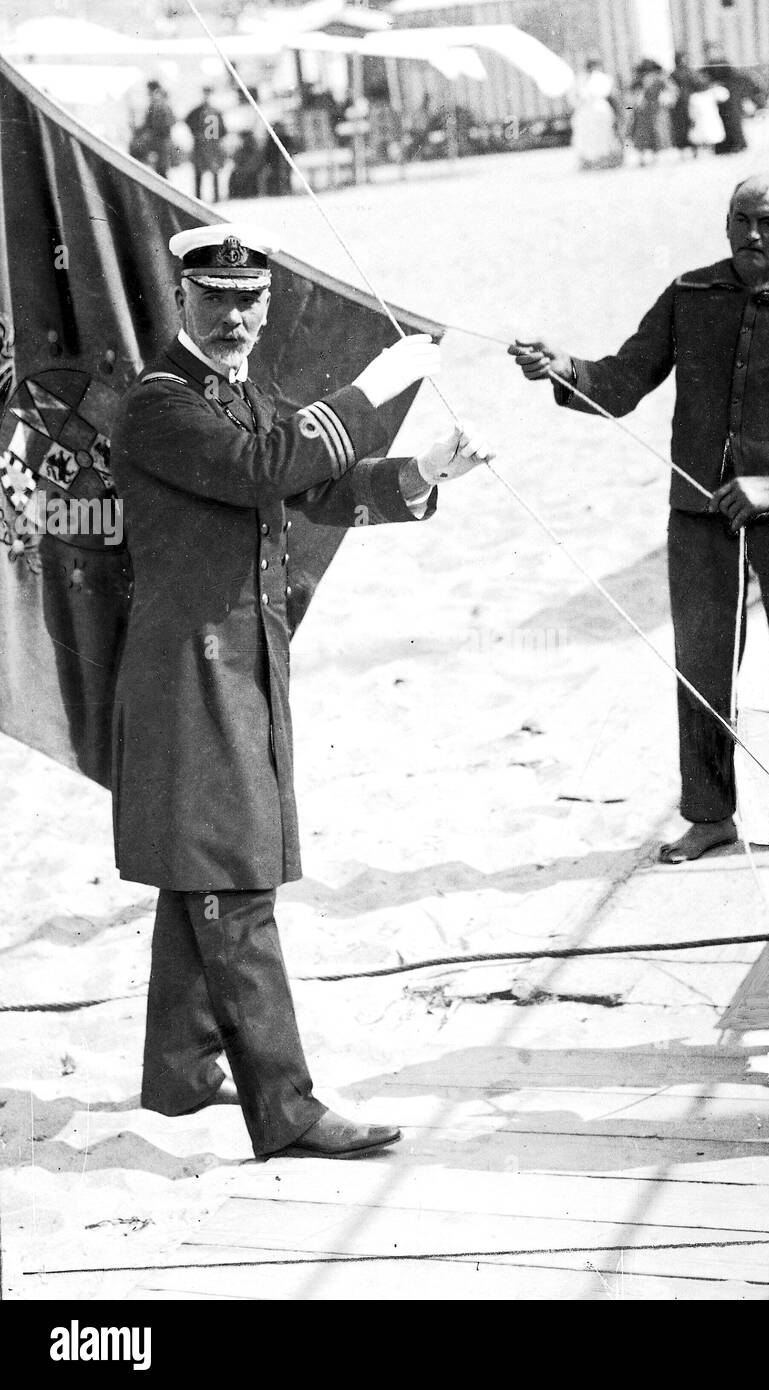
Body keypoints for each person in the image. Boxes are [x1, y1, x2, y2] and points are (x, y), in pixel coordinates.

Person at [109, 223, 493, 1160]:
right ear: (181, 300)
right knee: (232, 878)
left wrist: (421, 473)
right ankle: (284, 1108)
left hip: (236, 662)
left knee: (206, 862)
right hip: (192, 671)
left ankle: (184, 1070)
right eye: (218, 299)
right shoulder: (160, 404)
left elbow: (313, 489)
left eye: (251, 300)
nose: (236, 316)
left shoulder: (241, 395)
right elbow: (265, 469)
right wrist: (373, 390)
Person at [509, 175, 769, 861]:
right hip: (698, 516)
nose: (752, 235)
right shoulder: (689, 294)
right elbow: (620, 382)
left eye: (768, 223)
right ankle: (709, 816)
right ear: (726, 225)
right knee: (700, 667)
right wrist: (560, 369)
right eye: (741, 220)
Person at [701, 43, 766, 155]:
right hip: (718, 98)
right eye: (708, 52)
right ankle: (723, 147)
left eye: (713, 51)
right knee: (720, 122)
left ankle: (738, 145)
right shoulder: (707, 68)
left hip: (731, 97)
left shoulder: (724, 65)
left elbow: (735, 78)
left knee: (733, 121)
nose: (711, 54)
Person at [570, 59, 622, 171]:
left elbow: (606, 93)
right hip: (584, 112)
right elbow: (574, 97)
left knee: (603, 137)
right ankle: (587, 161)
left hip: (599, 111)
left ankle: (603, 160)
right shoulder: (579, 80)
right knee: (585, 137)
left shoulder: (602, 78)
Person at [185, 86, 226, 203]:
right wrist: (196, 135)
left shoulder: (216, 111)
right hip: (202, 145)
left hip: (212, 145)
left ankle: (216, 197)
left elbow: (223, 129)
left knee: (214, 171)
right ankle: (198, 197)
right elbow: (188, 122)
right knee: (199, 171)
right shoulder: (197, 111)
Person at [138, 80, 176, 179]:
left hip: (160, 142)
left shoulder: (158, 105)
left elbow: (156, 125)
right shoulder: (162, 104)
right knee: (160, 172)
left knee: (161, 173)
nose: (148, 94)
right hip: (161, 142)